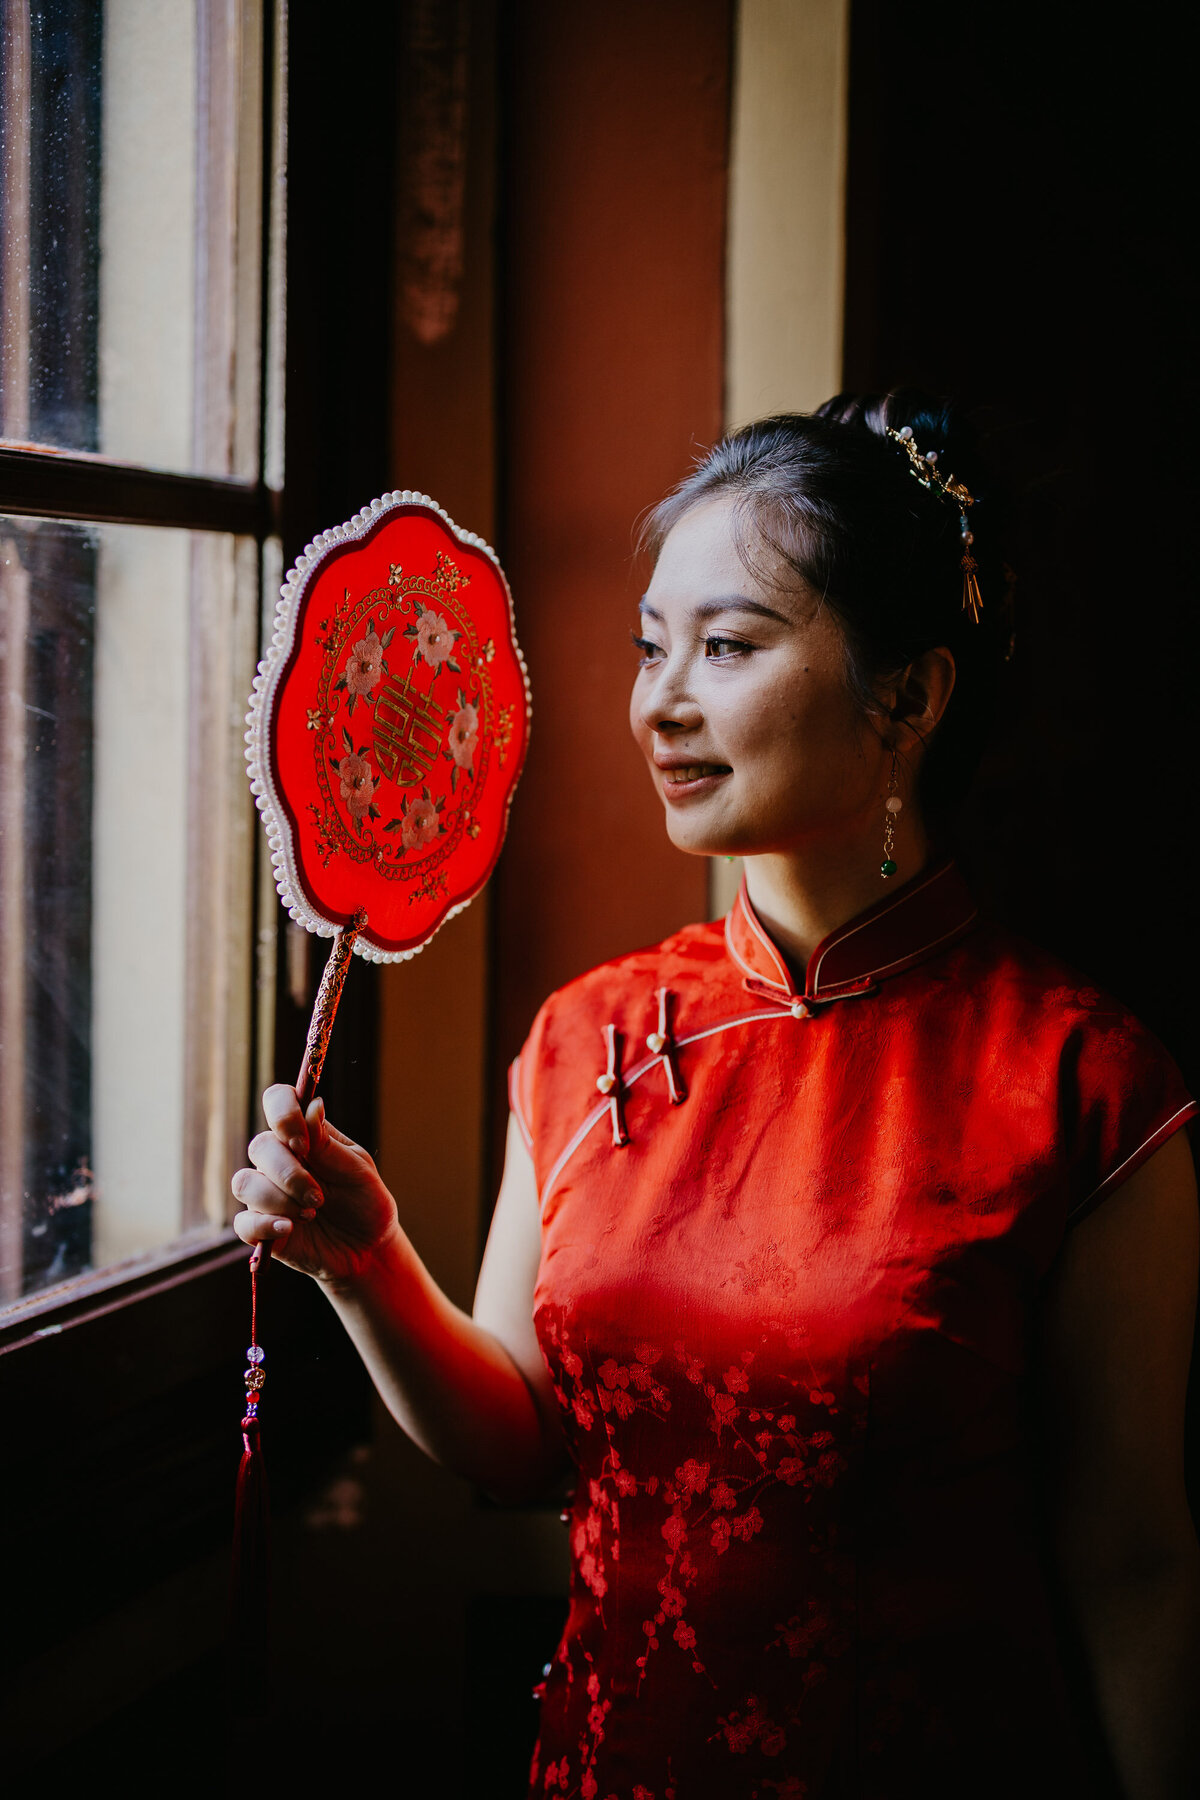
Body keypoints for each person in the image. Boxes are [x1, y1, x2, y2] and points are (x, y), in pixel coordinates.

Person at [233, 394, 1200, 1800]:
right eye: (649, 648)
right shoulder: (587, 1036)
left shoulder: (1086, 1089)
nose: (660, 700)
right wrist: (367, 1263)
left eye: (728, 646)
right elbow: (521, 1441)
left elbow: (1133, 1562)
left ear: (910, 698)